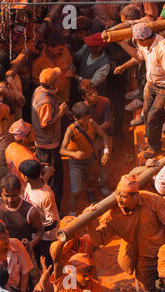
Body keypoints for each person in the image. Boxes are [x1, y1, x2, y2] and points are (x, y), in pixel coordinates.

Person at [86, 174, 165, 292]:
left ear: (136, 196)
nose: (119, 199)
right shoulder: (112, 215)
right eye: (117, 194)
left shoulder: (150, 200)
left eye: (124, 196)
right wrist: (89, 224)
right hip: (143, 261)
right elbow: (99, 241)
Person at [119, 23, 165, 158]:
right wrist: (123, 65)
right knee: (147, 112)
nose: (136, 43)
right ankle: (151, 137)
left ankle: (154, 148)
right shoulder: (147, 45)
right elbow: (138, 56)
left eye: (137, 41)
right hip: (152, 84)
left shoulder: (163, 49)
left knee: (154, 116)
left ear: (144, 39)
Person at [60, 102, 110, 216]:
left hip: (89, 159)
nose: (86, 122)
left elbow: (104, 136)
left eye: (88, 118)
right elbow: (62, 150)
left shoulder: (91, 123)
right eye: (83, 120)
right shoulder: (71, 130)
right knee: (75, 191)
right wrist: (74, 154)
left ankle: (90, 192)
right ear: (75, 118)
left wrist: (106, 151)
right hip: (76, 163)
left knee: (91, 180)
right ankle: (72, 215)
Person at [31, 67, 69, 211]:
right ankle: (55, 211)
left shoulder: (39, 91)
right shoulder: (45, 102)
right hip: (49, 146)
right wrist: (60, 113)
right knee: (54, 179)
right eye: (56, 80)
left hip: (43, 143)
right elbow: (45, 124)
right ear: (52, 84)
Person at [19, 159, 60, 267]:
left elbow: (53, 222)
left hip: (47, 238)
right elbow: (43, 180)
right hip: (36, 235)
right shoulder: (31, 185)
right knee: (38, 262)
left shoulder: (46, 196)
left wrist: (34, 228)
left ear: (27, 177)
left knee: (48, 265)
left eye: (22, 174)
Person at [78, 79, 113, 196]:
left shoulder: (105, 101)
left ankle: (103, 184)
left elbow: (108, 122)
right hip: (90, 139)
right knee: (90, 163)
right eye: (89, 94)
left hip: (104, 136)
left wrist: (94, 131)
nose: (94, 95)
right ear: (84, 97)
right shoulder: (82, 108)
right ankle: (90, 186)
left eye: (94, 92)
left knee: (105, 161)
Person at [0, 175, 44, 255]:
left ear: (19, 192)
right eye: (6, 196)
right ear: (1, 193)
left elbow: (40, 231)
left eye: (13, 195)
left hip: (21, 255)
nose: (10, 200)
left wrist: (30, 244)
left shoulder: (31, 211)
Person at [31, 33, 74, 104]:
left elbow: (71, 64)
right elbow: (35, 82)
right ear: (50, 47)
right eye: (59, 49)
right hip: (49, 102)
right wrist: (49, 86)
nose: (62, 51)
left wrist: (71, 70)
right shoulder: (38, 63)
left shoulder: (64, 51)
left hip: (66, 99)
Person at [0, 220, 34, 292]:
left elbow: (25, 272)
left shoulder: (16, 244)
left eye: (7, 235)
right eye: (2, 238)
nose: (7, 240)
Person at [75, 33, 111, 97]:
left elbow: (91, 83)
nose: (88, 46)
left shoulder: (105, 64)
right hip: (81, 89)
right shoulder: (87, 47)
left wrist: (76, 77)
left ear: (99, 48)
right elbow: (77, 56)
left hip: (94, 94)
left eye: (91, 46)